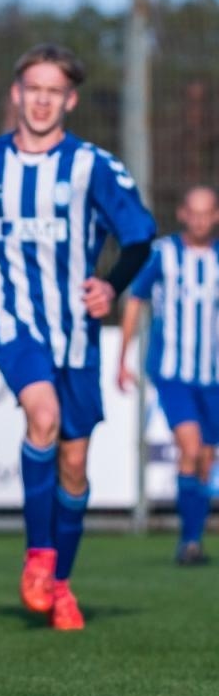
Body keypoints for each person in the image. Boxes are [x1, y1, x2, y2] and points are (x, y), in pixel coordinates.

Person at [0, 43, 154, 631]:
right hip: (12, 318)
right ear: (16, 93)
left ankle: (59, 582)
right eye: (32, 89)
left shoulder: (92, 165)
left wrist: (111, 285)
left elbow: (140, 237)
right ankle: (38, 557)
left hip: (77, 332)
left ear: (70, 100)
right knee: (42, 417)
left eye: (53, 92)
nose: (41, 101)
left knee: (74, 464)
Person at [118, 185, 219, 566]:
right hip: (174, 373)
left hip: (213, 376)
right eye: (194, 212)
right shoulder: (163, 254)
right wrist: (122, 357)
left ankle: (193, 538)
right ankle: (188, 544)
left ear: (216, 216)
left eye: (207, 213)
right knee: (189, 448)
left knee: (206, 458)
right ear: (182, 214)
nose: (200, 220)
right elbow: (136, 301)